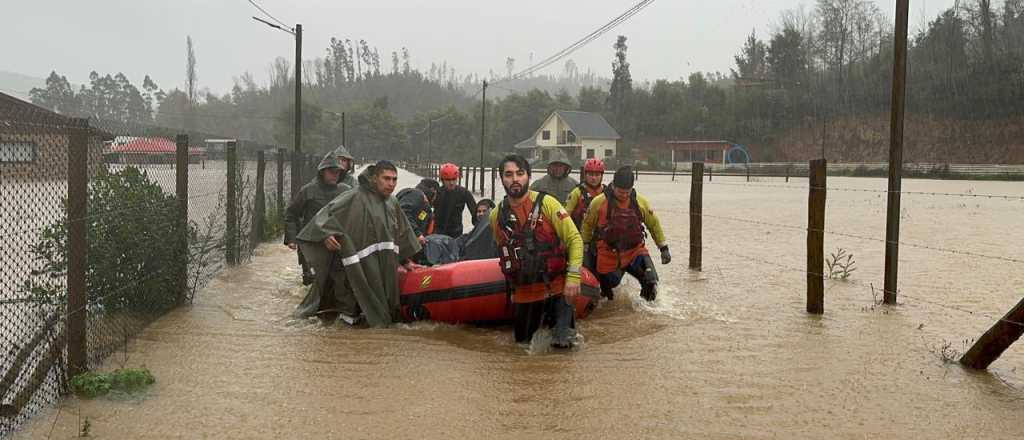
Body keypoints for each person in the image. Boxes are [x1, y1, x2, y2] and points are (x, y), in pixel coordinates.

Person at [294, 160, 423, 327]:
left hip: (384, 269)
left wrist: (407, 261)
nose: (391, 184)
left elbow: (402, 234)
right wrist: (326, 235)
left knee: (385, 312)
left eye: (394, 179)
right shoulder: (354, 197)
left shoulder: (393, 203)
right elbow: (324, 217)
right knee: (352, 316)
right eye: (386, 178)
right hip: (356, 270)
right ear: (375, 178)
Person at [489, 154, 583, 349]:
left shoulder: (548, 204)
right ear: (501, 179)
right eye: (508, 174)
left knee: (563, 350)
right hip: (525, 295)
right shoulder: (496, 216)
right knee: (522, 353)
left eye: (520, 173)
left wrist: (573, 277)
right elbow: (503, 251)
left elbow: (575, 239)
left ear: (528, 177)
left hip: (556, 290)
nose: (515, 179)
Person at [581, 166, 670, 302]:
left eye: (627, 192)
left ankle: (646, 311)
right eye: (620, 192)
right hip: (608, 254)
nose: (623, 195)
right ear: (613, 186)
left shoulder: (640, 202)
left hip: (635, 251)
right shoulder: (598, 203)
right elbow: (587, 225)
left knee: (651, 282)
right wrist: (585, 247)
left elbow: (654, 224)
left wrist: (663, 248)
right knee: (608, 293)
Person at [284, 153, 351, 285]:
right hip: (311, 244)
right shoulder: (308, 191)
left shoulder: (346, 191)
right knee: (311, 283)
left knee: (336, 283)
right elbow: (291, 214)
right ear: (322, 172)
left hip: (336, 244)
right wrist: (291, 238)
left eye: (338, 172)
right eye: (331, 172)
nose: (335, 175)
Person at [565, 158, 606, 271]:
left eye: (597, 174)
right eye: (590, 174)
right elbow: (565, 217)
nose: (593, 178)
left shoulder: (607, 194)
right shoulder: (576, 193)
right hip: (581, 239)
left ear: (602, 176)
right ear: (585, 175)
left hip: (601, 240)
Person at [433, 162, 476, 238]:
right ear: (442, 180)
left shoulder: (464, 193)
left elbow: (475, 212)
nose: (451, 183)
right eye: (448, 180)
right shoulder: (436, 193)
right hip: (438, 233)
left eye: (454, 179)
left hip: (456, 234)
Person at [396, 178, 440, 244]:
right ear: (433, 190)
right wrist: (417, 234)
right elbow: (403, 213)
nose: (436, 198)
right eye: (436, 195)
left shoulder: (424, 204)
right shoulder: (417, 194)